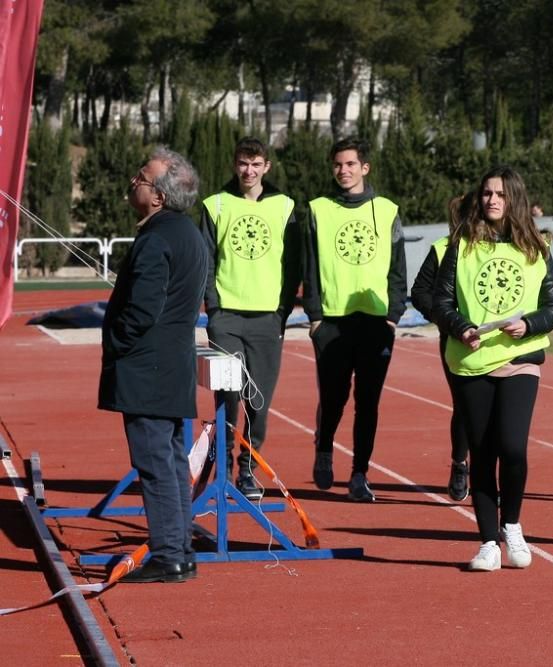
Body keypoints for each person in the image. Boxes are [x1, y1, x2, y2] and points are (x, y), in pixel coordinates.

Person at [433, 166, 553, 571]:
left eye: (501, 195)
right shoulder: (461, 245)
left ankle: (512, 524)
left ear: (515, 200)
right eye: (487, 193)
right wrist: (460, 327)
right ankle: (488, 541)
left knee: (512, 447)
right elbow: (440, 300)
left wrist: (529, 324)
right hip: (471, 363)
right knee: (483, 453)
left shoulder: (537, 248)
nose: (492, 200)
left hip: (519, 359)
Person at [98, 147, 208, 583]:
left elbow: (141, 312)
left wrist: (117, 345)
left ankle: (169, 555)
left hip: (148, 369)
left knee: (157, 465)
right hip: (169, 366)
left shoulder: (159, 238)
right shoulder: (186, 234)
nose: (133, 183)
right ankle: (178, 549)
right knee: (170, 463)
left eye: (141, 179)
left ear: (159, 196)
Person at [302, 137, 407, 501]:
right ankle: (325, 447)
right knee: (334, 398)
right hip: (332, 322)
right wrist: (314, 318)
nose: (343, 171)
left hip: (376, 324)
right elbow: (310, 267)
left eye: (350, 164)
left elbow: (397, 269)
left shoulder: (388, 210)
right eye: (337, 165)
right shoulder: (318, 210)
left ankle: (360, 473)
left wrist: (393, 317)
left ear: (365, 167)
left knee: (368, 401)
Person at [200, 137, 299, 500]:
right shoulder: (216, 205)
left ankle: (248, 468)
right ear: (234, 164)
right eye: (243, 163)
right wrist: (213, 306)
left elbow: (293, 265)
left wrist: (282, 311)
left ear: (267, 167)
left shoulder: (285, 206)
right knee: (226, 394)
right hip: (225, 317)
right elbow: (206, 260)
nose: (249, 170)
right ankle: (223, 467)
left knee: (258, 401)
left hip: (267, 320)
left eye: (256, 164)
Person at [409, 192, 475, 502]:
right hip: (456, 341)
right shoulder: (443, 249)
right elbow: (420, 291)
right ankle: (460, 464)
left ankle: (487, 470)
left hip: (499, 342)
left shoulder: (505, 249)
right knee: (465, 406)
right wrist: (445, 318)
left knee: (496, 414)